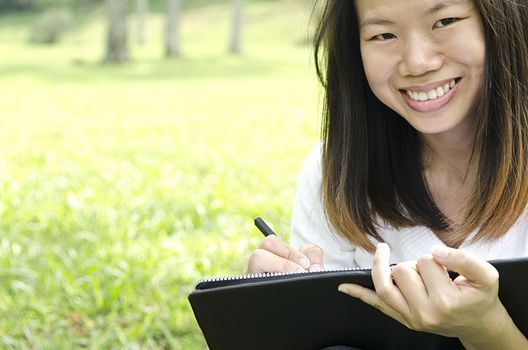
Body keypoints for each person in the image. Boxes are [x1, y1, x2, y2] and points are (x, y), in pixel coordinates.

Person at [247, 0, 528, 349]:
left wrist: (485, 328)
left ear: (501, 21)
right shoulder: (334, 171)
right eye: (383, 34)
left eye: (445, 21)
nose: (417, 62)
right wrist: (281, 311)